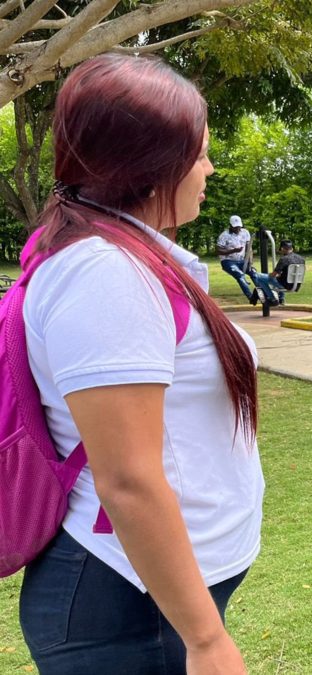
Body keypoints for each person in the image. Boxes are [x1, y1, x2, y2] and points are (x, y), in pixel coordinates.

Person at [19, 54, 262, 673]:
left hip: (155, 597)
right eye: (200, 153)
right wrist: (207, 642)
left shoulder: (128, 259)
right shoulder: (106, 274)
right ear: (153, 164)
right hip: (125, 604)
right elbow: (127, 481)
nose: (209, 168)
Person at [217, 214, 254, 302]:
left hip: (241, 260)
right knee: (239, 275)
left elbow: (249, 248)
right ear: (230, 226)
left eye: (239, 227)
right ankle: (251, 297)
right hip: (228, 261)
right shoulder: (224, 235)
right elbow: (218, 251)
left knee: (254, 273)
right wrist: (233, 251)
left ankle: (262, 292)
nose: (238, 229)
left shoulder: (245, 232)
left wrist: (250, 260)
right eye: (235, 227)